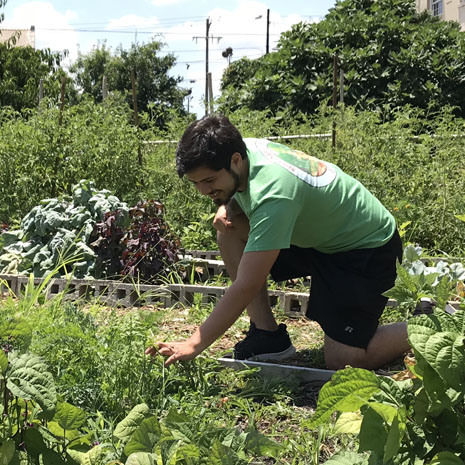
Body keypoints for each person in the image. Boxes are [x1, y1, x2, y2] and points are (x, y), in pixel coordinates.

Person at [146, 114, 410, 370]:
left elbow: (246, 284)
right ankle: (267, 336)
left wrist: (193, 344)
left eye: (210, 181)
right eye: (196, 183)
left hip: (366, 249)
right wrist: (229, 202)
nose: (203, 191)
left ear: (235, 160)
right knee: (230, 228)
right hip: (318, 235)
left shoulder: (273, 195)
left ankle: (429, 328)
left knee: (344, 360)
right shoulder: (241, 148)